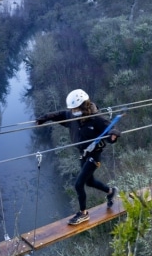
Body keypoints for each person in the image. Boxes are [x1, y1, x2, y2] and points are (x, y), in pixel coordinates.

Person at [36, 89, 121, 225]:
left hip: (94, 154)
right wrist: (44, 118)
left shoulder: (96, 119)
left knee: (79, 184)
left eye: (75, 108)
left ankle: (83, 213)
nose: (73, 111)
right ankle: (111, 191)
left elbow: (111, 129)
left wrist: (113, 136)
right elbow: (60, 114)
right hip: (84, 153)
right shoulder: (73, 116)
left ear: (83, 106)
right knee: (89, 182)